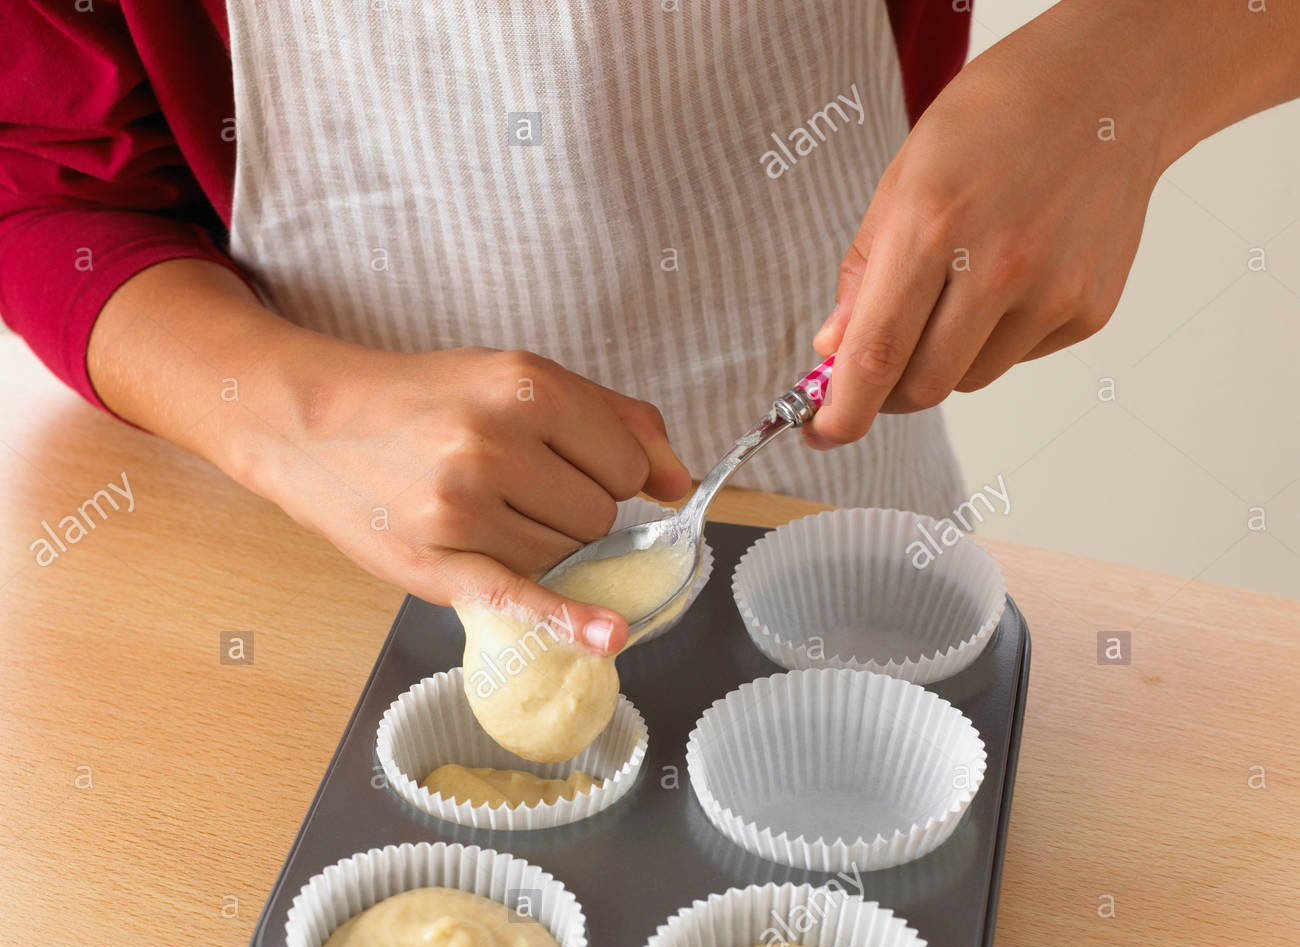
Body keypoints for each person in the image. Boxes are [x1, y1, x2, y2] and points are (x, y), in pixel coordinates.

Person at [3, 1, 1297, 657]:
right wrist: (297, 417)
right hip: (286, 580)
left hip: (829, 535)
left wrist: (1131, 68)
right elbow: (50, 185)